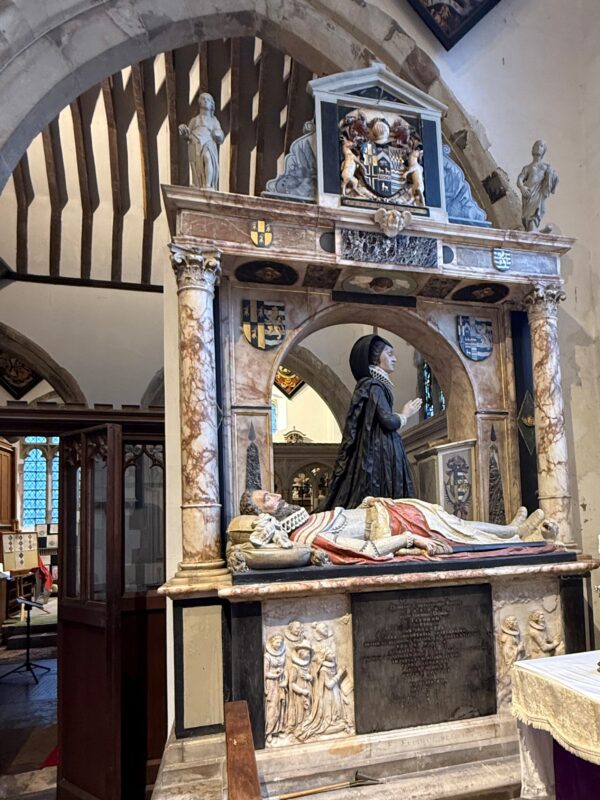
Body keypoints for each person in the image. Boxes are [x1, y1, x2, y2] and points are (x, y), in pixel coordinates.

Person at [239, 489, 557, 564]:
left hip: (390, 511)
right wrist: (410, 538)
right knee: (458, 533)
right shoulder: (305, 536)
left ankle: (508, 530)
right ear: (263, 516)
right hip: (397, 524)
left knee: (453, 523)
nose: (277, 495)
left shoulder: (304, 521)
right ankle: (510, 536)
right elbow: (368, 549)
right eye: (268, 499)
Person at [318, 334, 421, 511]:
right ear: (375, 358)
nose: (394, 359)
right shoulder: (374, 386)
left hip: (379, 450)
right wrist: (405, 414)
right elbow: (387, 421)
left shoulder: (373, 385)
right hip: (377, 455)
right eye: (389, 354)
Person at [178, 92, 224, 189]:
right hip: (196, 143)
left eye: (208, 100)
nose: (205, 101)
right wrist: (184, 131)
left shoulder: (214, 121)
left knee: (208, 158)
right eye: (203, 99)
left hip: (208, 143)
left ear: (212, 105)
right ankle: (198, 184)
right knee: (197, 165)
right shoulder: (195, 120)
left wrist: (218, 134)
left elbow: (221, 137)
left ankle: (208, 185)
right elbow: (188, 135)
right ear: (200, 103)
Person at [517, 140, 559, 231]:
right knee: (529, 214)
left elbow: (555, 178)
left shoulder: (546, 167)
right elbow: (520, 179)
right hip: (529, 193)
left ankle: (534, 229)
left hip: (539, 193)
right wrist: (522, 187)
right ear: (532, 149)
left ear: (544, 151)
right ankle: (532, 230)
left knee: (538, 210)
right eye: (536, 145)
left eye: (541, 146)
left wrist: (552, 176)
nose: (538, 147)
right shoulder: (528, 167)